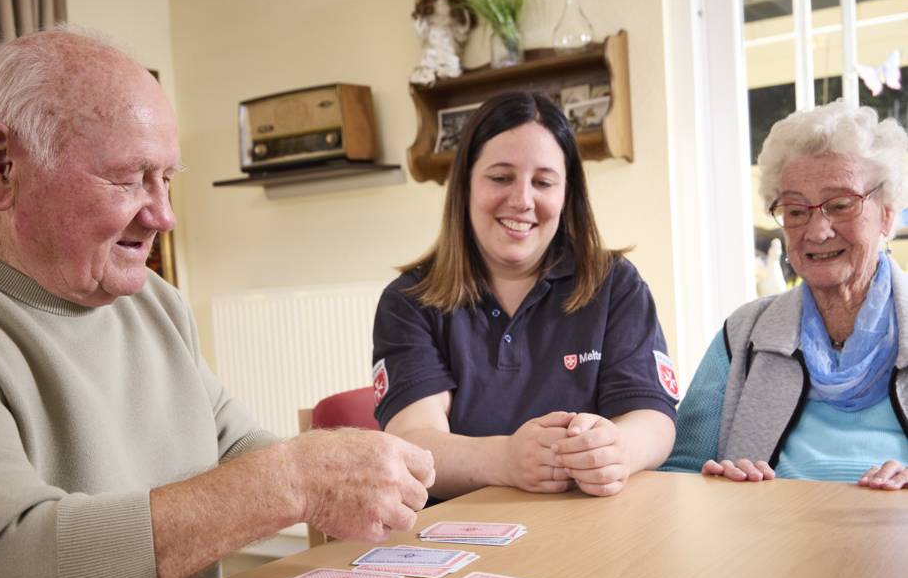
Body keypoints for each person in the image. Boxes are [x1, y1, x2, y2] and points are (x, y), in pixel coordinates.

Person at [0, 27, 435, 578]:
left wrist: (345, 473)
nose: (163, 215)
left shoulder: (153, 302)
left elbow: (236, 447)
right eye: (129, 178)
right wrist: (295, 481)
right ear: (0, 165)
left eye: (166, 179)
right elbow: (4, 577)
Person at [372, 91, 677, 502]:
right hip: (460, 534)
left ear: (567, 195)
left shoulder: (615, 284)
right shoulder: (408, 300)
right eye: (500, 177)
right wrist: (506, 459)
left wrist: (619, 449)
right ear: (465, 185)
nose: (522, 200)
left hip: (591, 526)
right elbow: (414, 444)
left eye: (543, 182)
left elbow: (653, 419)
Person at [664, 100, 908, 488]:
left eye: (841, 205)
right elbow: (679, 472)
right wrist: (716, 482)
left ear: (887, 214)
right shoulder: (744, 333)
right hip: (769, 538)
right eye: (796, 211)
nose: (817, 231)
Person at [409, 0, 476, 86]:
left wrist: (458, 21)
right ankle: (433, 72)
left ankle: (446, 70)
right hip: (433, 37)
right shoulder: (428, 5)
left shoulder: (454, 5)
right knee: (432, 58)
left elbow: (462, 25)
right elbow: (421, 26)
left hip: (448, 37)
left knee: (448, 58)